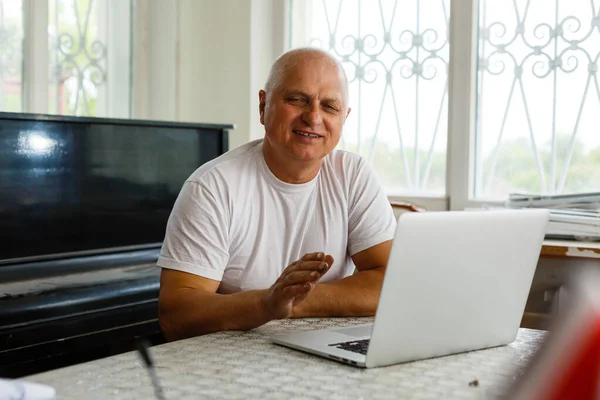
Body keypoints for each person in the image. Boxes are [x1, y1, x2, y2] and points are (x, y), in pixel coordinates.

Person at [157, 47, 396, 341]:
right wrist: (264, 304)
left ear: (344, 118)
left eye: (330, 107)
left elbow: (392, 284)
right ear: (263, 105)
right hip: (231, 359)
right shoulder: (212, 187)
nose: (313, 117)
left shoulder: (353, 175)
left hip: (323, 347)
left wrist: (290, 302)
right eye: (297, 100)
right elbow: (176, 314)